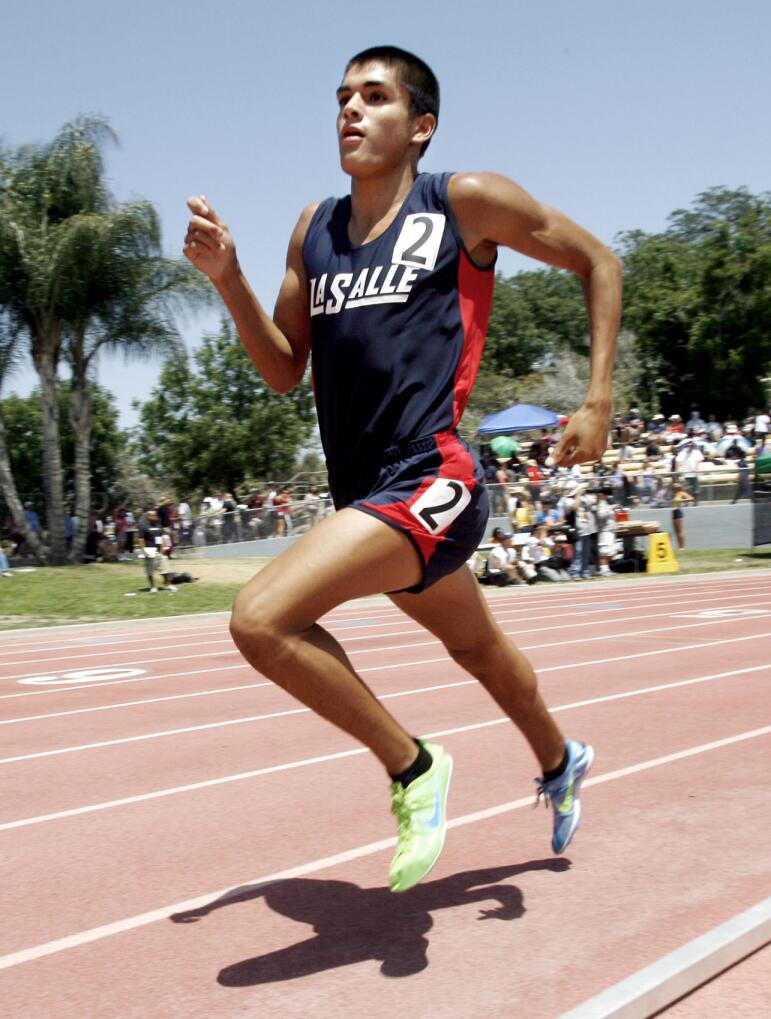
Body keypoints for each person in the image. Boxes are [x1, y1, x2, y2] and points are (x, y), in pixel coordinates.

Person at [183, 46, 620, 892]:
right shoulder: (313, 229)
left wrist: (598, 397)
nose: (350, 110)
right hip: (368, 490)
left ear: (421, 126)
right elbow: (282, 369)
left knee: (259, 619)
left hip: (434, 476)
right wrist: (228, 278)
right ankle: (562, 759)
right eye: (342, 97)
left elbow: (598, 261)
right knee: (481, 650)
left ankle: (413, 767)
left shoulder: (463, 201)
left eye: (374, 97)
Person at [137, 509, 176, 593]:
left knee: (165, 569)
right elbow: (141, 540)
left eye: (156, 515)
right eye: (153, 515)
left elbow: (161, 537)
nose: (156, 517)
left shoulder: (158, 525)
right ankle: (153, 587)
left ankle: (168, 585)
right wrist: (144, 552)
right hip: (150, 551)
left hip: (159, 551)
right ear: (148, 517)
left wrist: (162, 549)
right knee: (150, 571)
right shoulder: (143, 526)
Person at [670, 482, 693, 550]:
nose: (673, 487)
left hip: (678, 511)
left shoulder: (682, 493)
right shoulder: (675, 494)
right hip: (674, 511)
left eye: (675, 486)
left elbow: (691, 498)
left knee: (680, 530)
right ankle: (679, 546)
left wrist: (682, 500)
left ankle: (682, 547)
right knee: (676, 531)